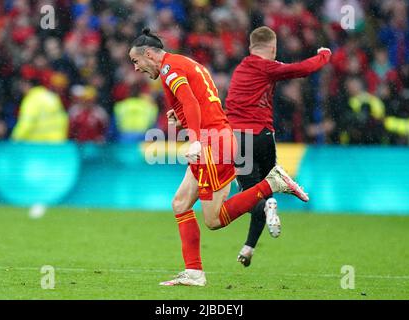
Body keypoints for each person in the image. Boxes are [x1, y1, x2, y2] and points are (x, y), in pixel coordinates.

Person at [129, 28, 309, 287]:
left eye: (136, 61)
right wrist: (182, 120)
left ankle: (273, 183)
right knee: (180, 204)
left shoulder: (169, 69)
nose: (136, 68)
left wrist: (194, 140)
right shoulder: (184, 62)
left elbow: (190, 101)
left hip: (211, 144)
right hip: (218, 137)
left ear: (148, 54)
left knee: (214, 220)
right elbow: (204, 101)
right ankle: (194, 272)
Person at [226, 26, 332, 267]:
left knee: (251, 195)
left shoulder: (242, 68)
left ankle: (266, 211)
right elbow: (301, 69)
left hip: (240, 138)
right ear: (273, 49)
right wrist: (324, 54)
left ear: (251, 48)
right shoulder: (270, 67)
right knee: (264, 193)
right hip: (265, 137)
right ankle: (249, 248)